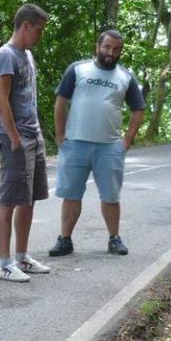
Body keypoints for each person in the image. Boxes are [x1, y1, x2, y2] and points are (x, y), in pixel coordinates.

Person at [49, 29, 145, 257]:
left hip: (109, 147)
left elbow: (138, 109)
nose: (111, 52)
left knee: (111, 196)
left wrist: (127, 140)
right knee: (71, 194)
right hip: (75, 144)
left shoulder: (126, 77)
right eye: (107, 47)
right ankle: (65, 240)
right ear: (98, 47)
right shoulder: (78, 70)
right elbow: (61, 102)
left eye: (116, 49)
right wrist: (60, 136)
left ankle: (114, 239)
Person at [0, 4, 51, 283]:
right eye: (38, 30)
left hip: (33, 135)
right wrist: (14, 138)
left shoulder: (27, 55)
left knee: (28, 200)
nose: (40, 35)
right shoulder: (5, 56)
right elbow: (1, 101)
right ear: (25, 26)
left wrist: (36, 136)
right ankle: (4, 264)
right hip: (16, 138)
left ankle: (22, 257)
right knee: (9, 200)